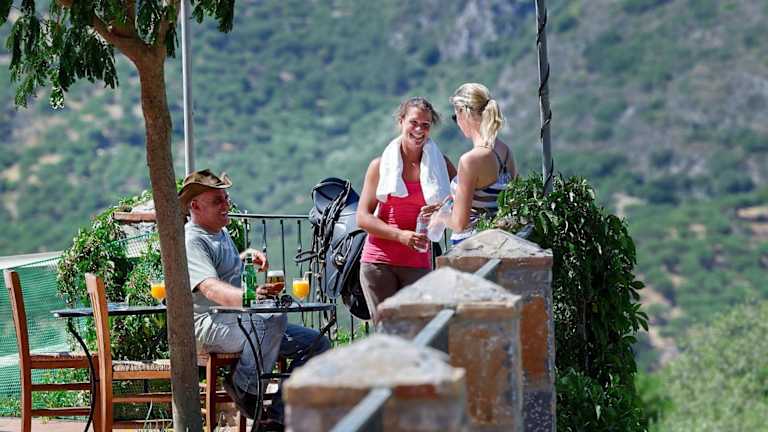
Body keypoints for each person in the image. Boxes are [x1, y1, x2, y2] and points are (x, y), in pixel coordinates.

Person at [179, 169, 331, 425]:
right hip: (207, 326)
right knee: (271, 317)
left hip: (238, 321)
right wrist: (249, 298)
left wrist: (244, 259)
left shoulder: (219, 232)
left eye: (226, 198)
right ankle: (244, 386)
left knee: (317, 344)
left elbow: (222, 273)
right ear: (195, 206)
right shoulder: (193, 240)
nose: (226, 205)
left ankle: (278, 417)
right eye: (217, 201)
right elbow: (211, 288)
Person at [357, 97, 457, 323]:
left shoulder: (442, 165)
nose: (419, 130)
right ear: (401, 121)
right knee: (388, 335)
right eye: (414, 122)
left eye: (425, 125)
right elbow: (362, 218)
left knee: (419, 332)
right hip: (378, 263)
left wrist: (441, 214)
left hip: (418, 264)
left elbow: (460, 201)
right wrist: (400, 235)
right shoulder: (379, 166)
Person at [430, 83, 517, 244]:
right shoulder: (504, 151)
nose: (457, 123)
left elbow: (460, 224)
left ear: (463, 113)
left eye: (455, 117)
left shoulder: (470, 160)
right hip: (498, 242)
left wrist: (440, 217)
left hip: (471, 246)